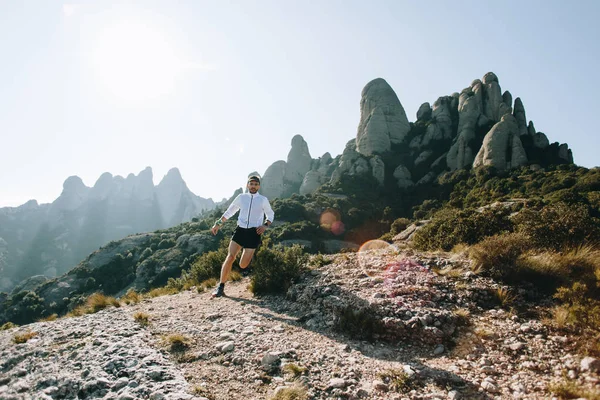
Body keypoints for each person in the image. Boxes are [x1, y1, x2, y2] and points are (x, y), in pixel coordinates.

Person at [210, 175, 274, 297]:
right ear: (247, 185)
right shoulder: (241, 197)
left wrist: (265, 225)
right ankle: (220, 287)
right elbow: (229, 212)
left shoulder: (262, 200)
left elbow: (270, 214)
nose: (253, 186)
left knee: (242, 265)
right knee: (230, 257)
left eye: (256, 184)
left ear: (259, 186)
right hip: (240, 231)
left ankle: (251, 260)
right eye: (251, 184)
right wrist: (217, 224)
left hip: (254, 233)